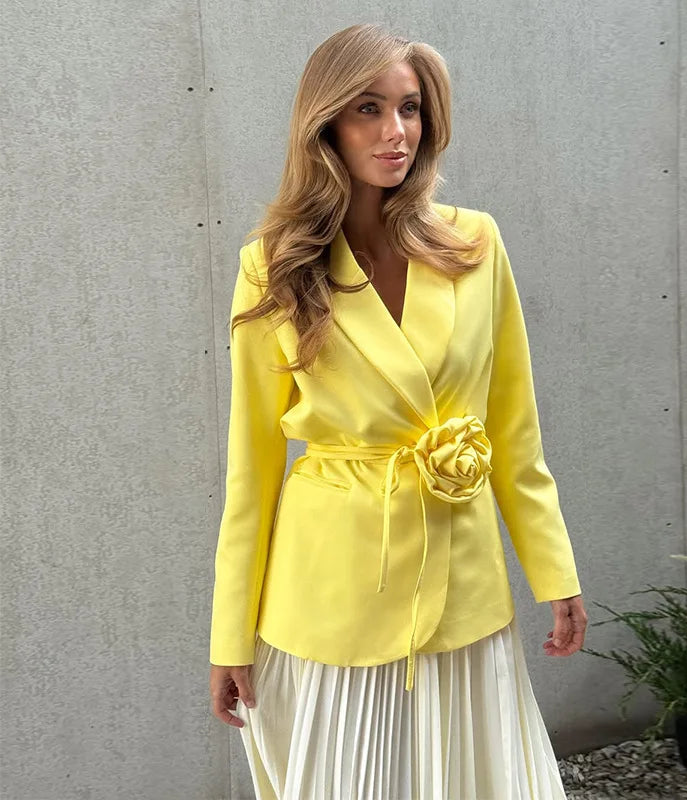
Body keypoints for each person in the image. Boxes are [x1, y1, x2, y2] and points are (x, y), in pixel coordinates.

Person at [208, 22, 588, 800]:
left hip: (462, 575)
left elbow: (514, 429)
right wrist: (229, 635)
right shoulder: (273, 266)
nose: (396, 132)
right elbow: (250, 472)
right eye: (368, 109)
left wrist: (554, 570)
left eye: (410, 108)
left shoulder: (475, 245)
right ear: (325, 126)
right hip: (330, 588)